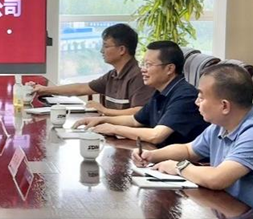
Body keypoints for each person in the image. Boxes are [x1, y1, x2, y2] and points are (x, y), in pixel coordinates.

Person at [133, 63, 253, 217]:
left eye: (201, 97)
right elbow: (188, 150)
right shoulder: (221, 124)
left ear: (224, 106)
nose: (196, 102)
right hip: (230, 210)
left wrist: (179, 166)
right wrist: (152, 155)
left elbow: (217, 179)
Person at [73, 41, 208, 147]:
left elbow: (156, 135)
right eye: (143, 64)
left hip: (185, 165)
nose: (142, 69)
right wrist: (102, 120)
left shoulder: (185, 96)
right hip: (159, 156)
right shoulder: (160, 91)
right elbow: (135, 120)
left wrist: (114, 129)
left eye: (148, 65)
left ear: (169, 69)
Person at [29, 24, 154, 116]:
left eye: (106, 46)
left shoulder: (139, 76)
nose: (101, 51)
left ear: (122, 50)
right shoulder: (112, 75)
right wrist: (45, 90)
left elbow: (140, 111)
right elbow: (80, 88)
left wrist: (105, 111)